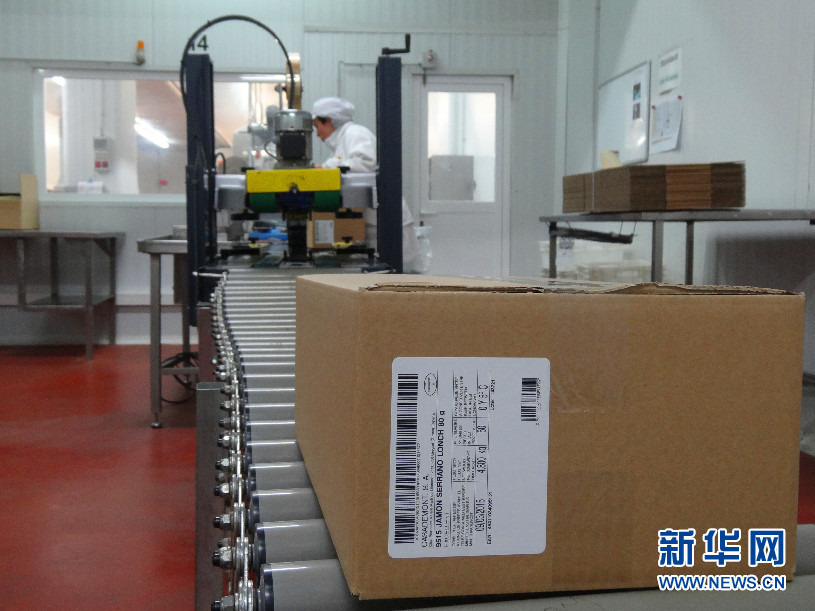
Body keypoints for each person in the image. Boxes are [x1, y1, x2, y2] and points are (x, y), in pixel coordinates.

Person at [311, 97, 377, 173]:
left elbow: (366, 164)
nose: (318, 134)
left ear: (328, 121)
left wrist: (326, 168)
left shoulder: (355, 132)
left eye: (317, 126)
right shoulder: (341, 142)